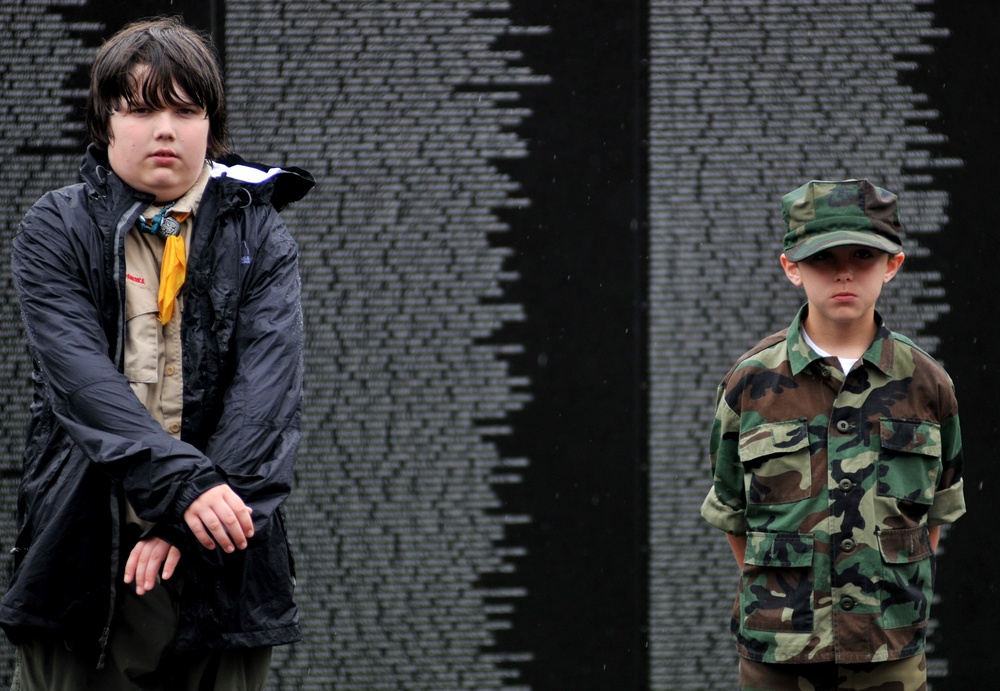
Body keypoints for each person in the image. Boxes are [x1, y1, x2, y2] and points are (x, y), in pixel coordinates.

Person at [1, 16, 314, 690]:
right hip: (83, 565)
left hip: (223, 571)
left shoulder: (259, 233)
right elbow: (84, 386)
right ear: (105, 122)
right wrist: (187, 487)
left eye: (185, 108)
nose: (165, 128)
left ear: (211, 123)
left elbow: (266, 403)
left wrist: (182, 521)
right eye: (141, 108)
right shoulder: (57, 229)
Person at [700, 179, 966, 691]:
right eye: (823, 257)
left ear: (893, 265)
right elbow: (734, 513)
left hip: (888, 651)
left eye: (864, 255)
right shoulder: (751, 383)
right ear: (792, 268)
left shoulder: (927, 384)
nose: (844, 272)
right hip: (780, 652)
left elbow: (935, 514)